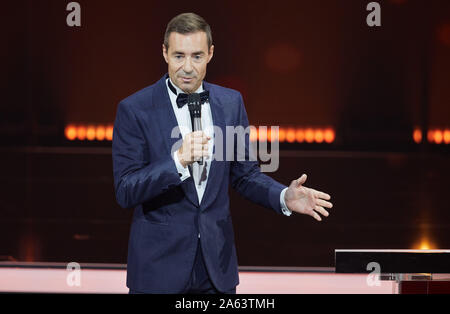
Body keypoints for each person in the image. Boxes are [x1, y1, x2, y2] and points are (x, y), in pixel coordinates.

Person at [112, 12, 333, 294]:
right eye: (179, 56)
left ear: (211, 54)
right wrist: (178, 161)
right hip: (158, 271)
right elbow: (125, 189)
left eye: (197, 56)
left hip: (216, 269)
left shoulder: (230, 103)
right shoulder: (135, 109)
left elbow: (246, 175)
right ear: (165, 52)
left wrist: (283, 197)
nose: (188, 68)